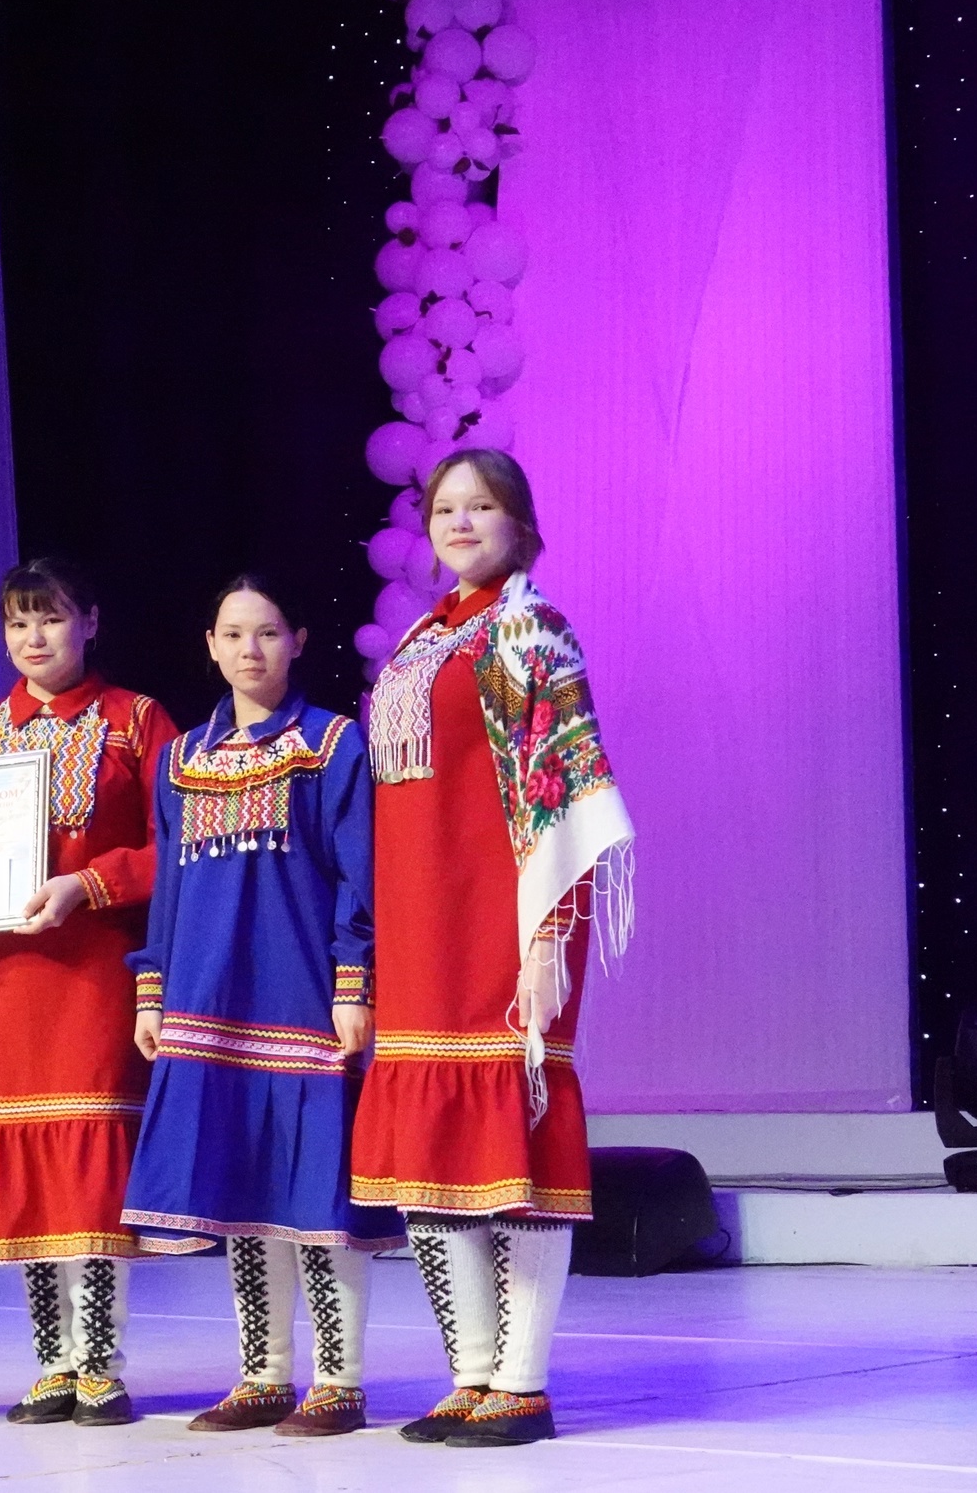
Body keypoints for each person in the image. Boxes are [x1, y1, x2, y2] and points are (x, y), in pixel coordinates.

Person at [350, 448, 635, 1448]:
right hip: (421, 925)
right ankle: (471, 1371)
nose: (461, 521)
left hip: (503, 918)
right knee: (431, 1147)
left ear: (520, 522)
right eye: (445, 508)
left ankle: (523, 1381)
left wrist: (549, 934)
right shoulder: (422, 638)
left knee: (512, 1141)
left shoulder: (528, 628)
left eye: (482, 505)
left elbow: (563, 791)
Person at [0, 559, 178, 1427]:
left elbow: (176, 844)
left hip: (92, 971)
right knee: (27, 1170)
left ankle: (99, 1363)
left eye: (50, 618)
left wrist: (87, 884)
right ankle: (52, 1364)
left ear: (89, 620)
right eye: (18, 623)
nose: (33, 637)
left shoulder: (136, 720)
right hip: (0, 979)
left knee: (85, 1168)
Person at [121, 576, 401, 1439]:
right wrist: (153, 985)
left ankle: (339, 1380)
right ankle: (264, 1373)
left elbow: (359, 873)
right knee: (240, 1185)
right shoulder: (181, 759)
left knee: (316, 1190)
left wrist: (354, 981)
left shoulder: (331, 744)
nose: (251, 649)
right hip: (208, 998)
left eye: (269, 632)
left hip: (301, 994)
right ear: (210, 644)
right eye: (234, 634)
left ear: (298, 640)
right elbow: (168, 884)